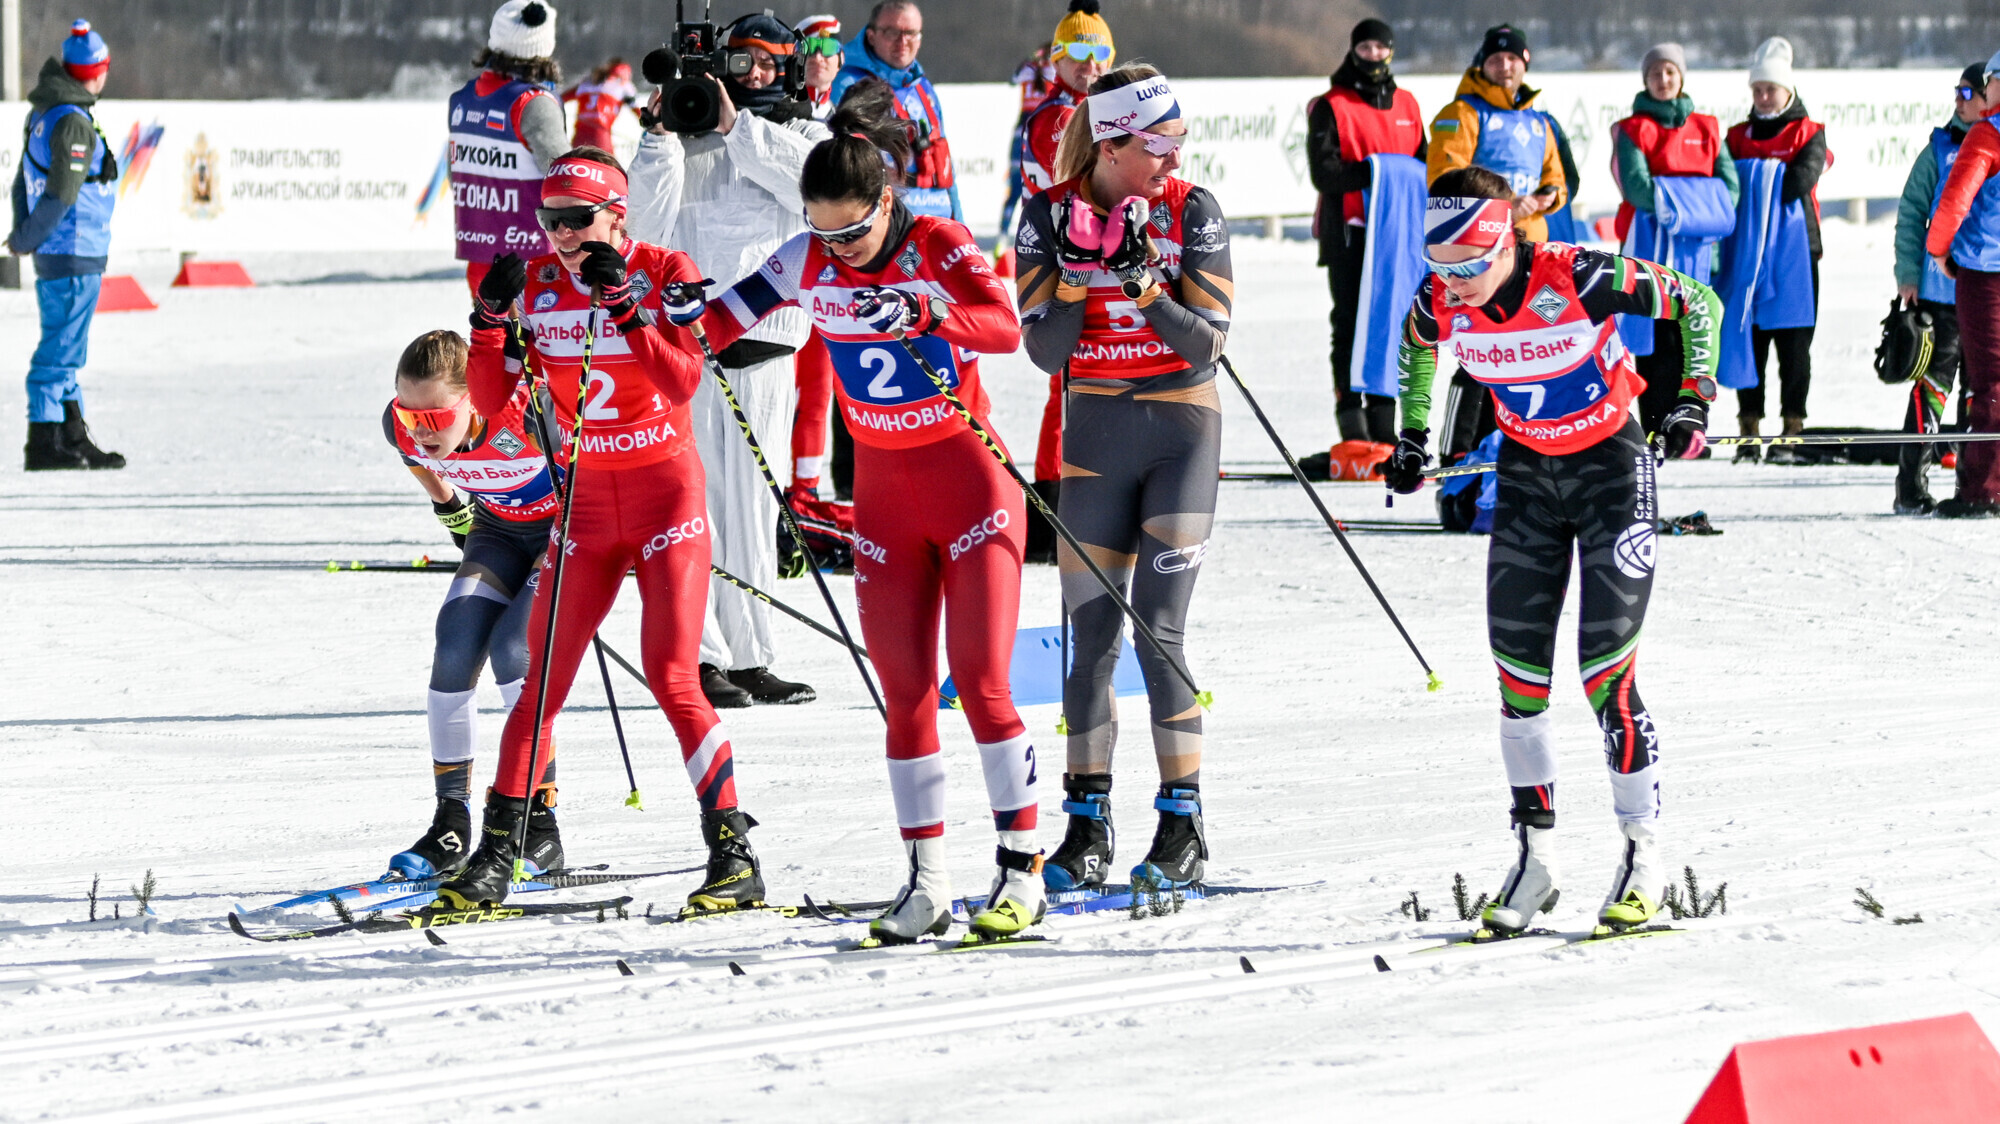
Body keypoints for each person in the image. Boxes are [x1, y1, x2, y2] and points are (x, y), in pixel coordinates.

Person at [677, 107, 1044, 944]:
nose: (834, 251)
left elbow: (1004, 327)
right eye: (822, 234)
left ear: (885, 203)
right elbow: (717, 325)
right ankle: (927, 882)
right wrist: (666, 307)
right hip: (884, 500)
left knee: (980, 683)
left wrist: (925, 312)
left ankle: (1022, 870)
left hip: (971, 488)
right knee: (904, 697)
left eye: (850, 235)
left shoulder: (938, 244)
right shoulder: (805, 254)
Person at [1383, 168, 1723, 935]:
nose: (1456, 285)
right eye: (1443, 267)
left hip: (1611, 472)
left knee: (1607, 675)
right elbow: (1417, 347)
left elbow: (1697, 304)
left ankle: (1645, 858)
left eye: (1471, 264)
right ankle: (1536, 863)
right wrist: (1411, 435)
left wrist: (1692, 397)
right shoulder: (1443, 294)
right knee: (1519, 682)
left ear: (1506, 239)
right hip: (1529, 481)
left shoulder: (1578, 273)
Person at [435, 148, 768, 912]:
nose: (561, 236)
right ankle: (499, 851)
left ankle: (733, 851)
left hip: (665, 503)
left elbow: (684, 378)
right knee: (540, 687)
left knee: (674, 675)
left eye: (579, 220)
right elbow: (488, 406)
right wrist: (488, 324)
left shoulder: (661, 267)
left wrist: (624, 306)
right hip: (586, 508)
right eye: (549, 221)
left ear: (618, 215)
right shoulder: (541, 284)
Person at [1016, 66, 1233, 896]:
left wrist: (1142, 281)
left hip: (1180, 433)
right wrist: (1074, 274)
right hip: (1097, 436)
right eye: (1159, 144)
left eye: (1178, 140)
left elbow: (1206, 345)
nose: (1174, 157)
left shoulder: (1191, 209)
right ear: (1111, 144)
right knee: (1089, 643)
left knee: (1160, 634)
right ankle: (1087, 824)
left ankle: (1182, 822)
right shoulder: (1046, 212)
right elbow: (1047, 350)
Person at [627, 13, 829, 709]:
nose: (758, 75)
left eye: (772, 63)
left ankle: (752, 656)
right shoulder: (683, 133)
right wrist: (659, 136)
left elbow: (812, 191)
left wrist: (738, 126)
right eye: (743, 63)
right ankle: (698, 656)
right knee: (695, 509)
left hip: (766, 348)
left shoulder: (805, 132)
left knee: (752, 511)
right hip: (689, 350)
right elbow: (645, 226)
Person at [381, 329, 559, 879]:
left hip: (560, 533)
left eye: (433, 419)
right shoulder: (400, 426)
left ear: (473, 398)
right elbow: (414, 456)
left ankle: (539, 825)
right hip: (498, 533)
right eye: (410, 416)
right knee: (455, 642)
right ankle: (450, 823)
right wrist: (451, 511)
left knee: (513, 647)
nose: (420, 431)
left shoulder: (528, 414)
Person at [1013, 0, 1116, 564]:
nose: (1090, 64)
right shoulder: (1059, 116)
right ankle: (1052, 509)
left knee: (1078, 383)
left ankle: (1065, 505)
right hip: (1057, 261)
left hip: (1075, 256)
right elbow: (1084, 187)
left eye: (1100, 52)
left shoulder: (1090, 111)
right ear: (1056, 58)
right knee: (1068, 384)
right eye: (1077, 53)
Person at [9, 20, 124, 471]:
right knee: (61, 349)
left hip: (59, 252)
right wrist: (28, 237)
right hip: (73, 250)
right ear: (94, 72)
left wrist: (25, 236)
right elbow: (61, 194)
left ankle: (71, 435)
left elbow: (22, 182)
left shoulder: (46, 112)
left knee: (67, 345)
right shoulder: (73, 122)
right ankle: (43, 440)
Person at [1308, 17, 1426, 447]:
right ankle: (1350, 413)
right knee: (1350, 321)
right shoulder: (1331, 105)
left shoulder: (1408, 105)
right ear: (1353, 51)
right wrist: (1377, 170)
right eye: (1365, 48)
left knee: (1394, 323)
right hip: (1351, 234)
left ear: (1390, 51)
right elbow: (1326, 174)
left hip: (1396, 235)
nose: (1373, 56)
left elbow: (1423, 164)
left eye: (1380, 48)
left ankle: (1383, 415)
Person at [1612, 42, 1740, 437]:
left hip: (1700, 251)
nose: (1663, 80)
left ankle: (1690, 425)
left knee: (1695, 335)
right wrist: (1692, 205)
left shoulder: (1707, 127)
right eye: (1655, 74)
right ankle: (1654, 425)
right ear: (1645, 81)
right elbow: (1637, 188)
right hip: (1651, 247)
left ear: (1681, 76)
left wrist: (1682, 207)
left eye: (1669, 72)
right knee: (1655, 338)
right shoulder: (1634, 130)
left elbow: (1729, 189)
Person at [1890, 63, 1988, 515]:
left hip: (1986, 293)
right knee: (1930, 390)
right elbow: (1912, 213)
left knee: (1981, 393)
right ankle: (1910, 485)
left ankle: (1973, 485)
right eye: (1957, 91)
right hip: (1941, 295)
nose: (1959, 100)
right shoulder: (1940, 148)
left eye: (1969, 92)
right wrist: (1908, 273)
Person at [1725, 36, 1828, 463]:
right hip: (1747, 252)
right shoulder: (1735, 136)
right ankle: (1748, 427)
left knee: (1794, 347)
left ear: (1789, 92)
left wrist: (1753, 174)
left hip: (1796, 256)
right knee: (1749, 340)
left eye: (1771, 89)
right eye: (1757, 90)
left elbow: (1798, 181)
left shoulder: (1809, 133)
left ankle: (1792, 427)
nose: (1764, 97)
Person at [1925, 51, 2000, 518]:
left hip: (1984, 273)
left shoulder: (1987, 135)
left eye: (1989, 81)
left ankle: (1983, 490)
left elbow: (1954, 200)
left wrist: (1938, 251)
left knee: (1989, 380)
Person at [447, 1, 567, 293]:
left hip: (481, 261)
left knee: (491, 339)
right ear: (544, 44)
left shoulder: (463, 98)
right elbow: (567, 182)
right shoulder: (534, 103)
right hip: (535, 267)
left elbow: (456, 175)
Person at [1426, 24, 1568, 242]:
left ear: (1525, 63)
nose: (1504, 66)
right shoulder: (1462, 113)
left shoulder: (1538, 121)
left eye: (1512, 58)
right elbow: (1444, 179)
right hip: (1480, 241)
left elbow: (1555, 176)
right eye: (1495, 60)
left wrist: (1551, 194)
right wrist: (1505, 205)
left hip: (1532, 244)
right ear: (1482, 66)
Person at [830, 1, 961, 221]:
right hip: (888, 223)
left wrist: (960, 223)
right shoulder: (847, 85)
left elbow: (946, 164)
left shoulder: (923, 87)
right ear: (872, 36)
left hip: (938, 219)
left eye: (910, 33)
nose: (902, 42)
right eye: (892, 32)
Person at [560, 59, 638, 153]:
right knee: (607, 165)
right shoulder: (622, 85)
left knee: (575, 163)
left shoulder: (586, 83)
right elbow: (638, 111)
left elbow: (561, 98)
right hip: (601, 136)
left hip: (580, 135)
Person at [795, 14, 844, 121]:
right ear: (796, 56)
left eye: (828, 47)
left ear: (841, 59)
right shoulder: (779, 109)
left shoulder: (844, 121)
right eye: (809, 47)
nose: (818, 58)